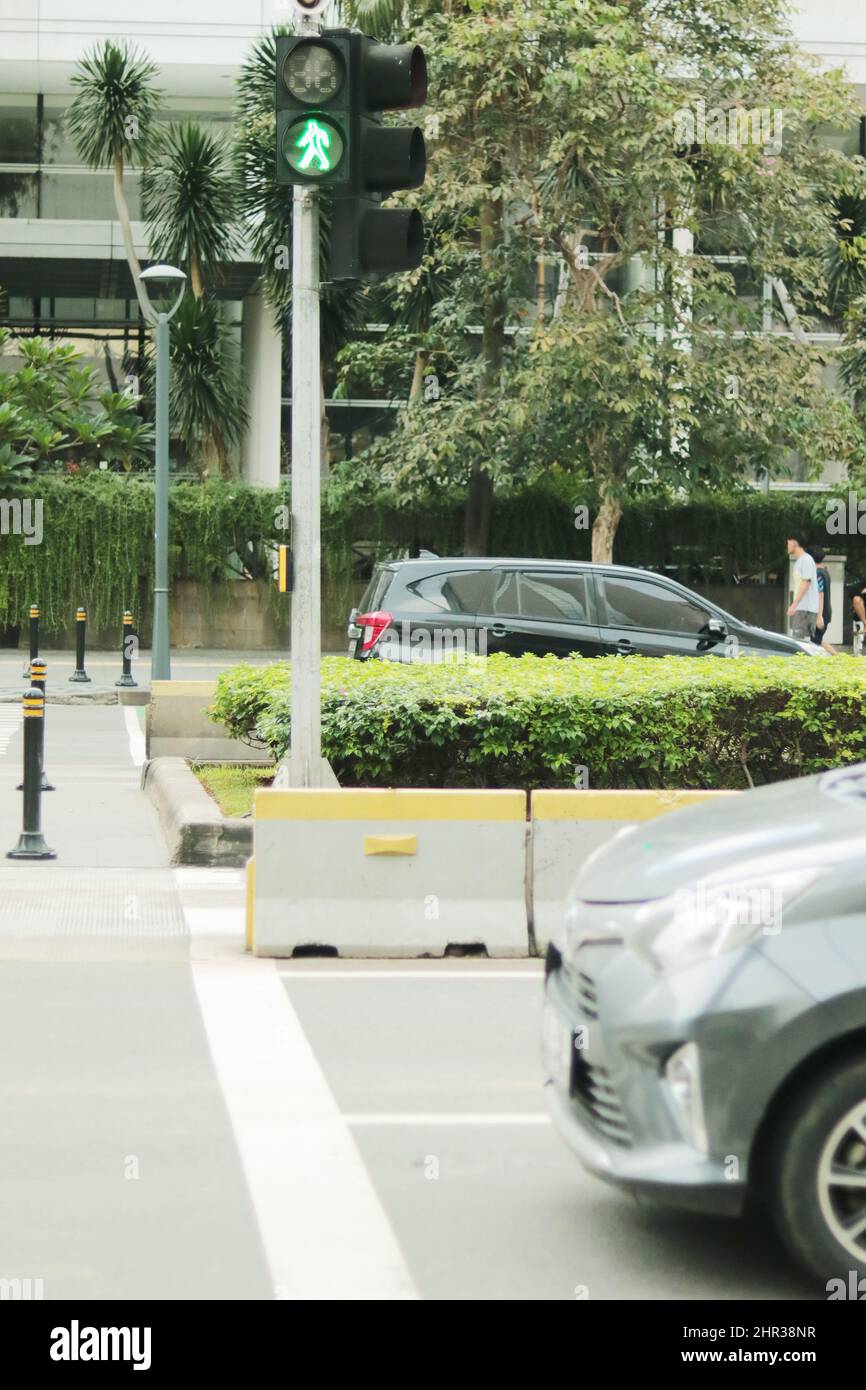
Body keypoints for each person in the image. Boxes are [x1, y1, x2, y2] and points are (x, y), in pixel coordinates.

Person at [785, 533, 818, 642]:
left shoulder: (806, 560)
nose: (787, 546)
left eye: (788, 543)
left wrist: (794, 605)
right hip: (802, 608)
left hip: (805, 609)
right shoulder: (800, 561)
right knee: (802, 642)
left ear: (794, 543)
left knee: (800, 644)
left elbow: (806, 583)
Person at [806, 545, 837, 654]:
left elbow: (820, 595)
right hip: (825, 612)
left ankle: (839, 658)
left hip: (821, 613)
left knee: (816, 641)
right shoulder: (824, 571)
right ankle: (839, 658)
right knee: (816, 640)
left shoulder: (818, 574)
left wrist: (819, 617)